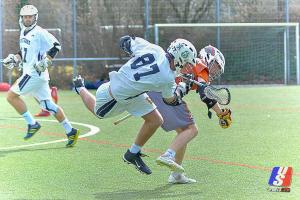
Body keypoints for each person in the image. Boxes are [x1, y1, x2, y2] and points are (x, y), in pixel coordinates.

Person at [73, 36, 197, 175]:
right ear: (180, 57)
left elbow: (125, 40)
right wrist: (182, 89)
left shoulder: (155, 49)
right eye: (187, 63)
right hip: (114, 96)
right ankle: (80, 88)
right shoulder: (167, 77)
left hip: (133, 93)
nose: (187, 67)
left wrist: (131, 53)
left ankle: (132, 153)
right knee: (98, 112)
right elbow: (170, 100)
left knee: (156, 120)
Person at [148, 45, 232, 183]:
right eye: (216, 66)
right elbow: (206, 96)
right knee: (192, 130)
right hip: (167, 94)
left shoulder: (193, 64)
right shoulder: (201, 65)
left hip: (156, 92)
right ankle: (167, 155)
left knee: (183, 132)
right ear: (208, 58)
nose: (216, 71)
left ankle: (176, 175)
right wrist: (221, 113)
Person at [2, 5, 79, 147]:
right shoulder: (24, 31)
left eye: (30, 16)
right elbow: (24, 52)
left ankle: (32, 123)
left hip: (33, 74)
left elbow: (56, 45)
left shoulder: (40, 32)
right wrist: (14, 58)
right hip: (36, 75)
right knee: (48, 105)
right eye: (25, 16)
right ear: (21, 18)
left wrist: (47, 60)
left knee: (11, 96)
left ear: (35, 17)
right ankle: (71, 131)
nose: (27, 19)